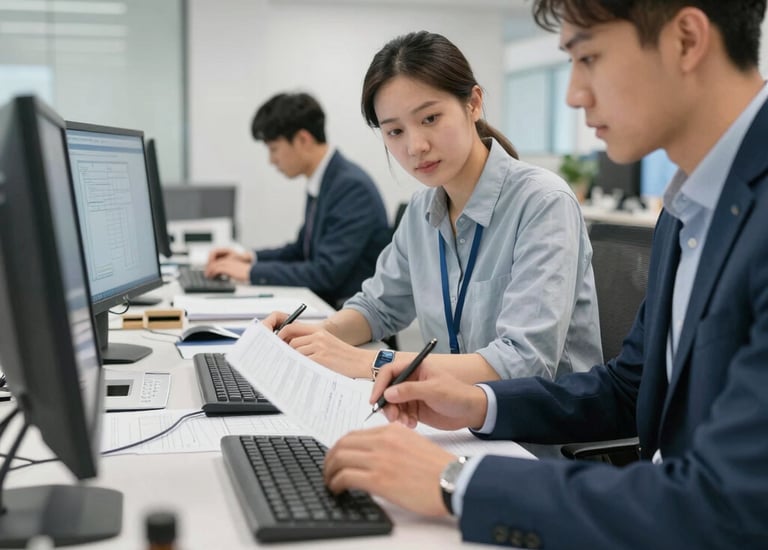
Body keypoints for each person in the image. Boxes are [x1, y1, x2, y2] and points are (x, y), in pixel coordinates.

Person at [323, 2, 768, 548]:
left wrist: (457, 484)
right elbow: (628, 390)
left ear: (685, 40)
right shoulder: (687, 206)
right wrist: (479, 403)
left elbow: (728, 504)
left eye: (589, 57)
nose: (573, 94)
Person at [266, 31, 602, 384]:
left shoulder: (542, 203)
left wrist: (371, 362)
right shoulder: (421, 209)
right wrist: (314, 335)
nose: (416, 146)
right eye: (394, 131)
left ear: (473, 104)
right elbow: (378, 307)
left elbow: (523, 362)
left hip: (534, 429)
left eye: (430, 119)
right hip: (454, 415)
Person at [205, 92, 390, 308]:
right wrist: (249, 258)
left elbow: (325, 273)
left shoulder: (350, 187)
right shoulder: (326, 179)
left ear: (303, 140)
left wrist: (250, 272)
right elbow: (301, 250)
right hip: (327, 302)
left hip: (345, 311)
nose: (272, 160)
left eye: (274, 149)